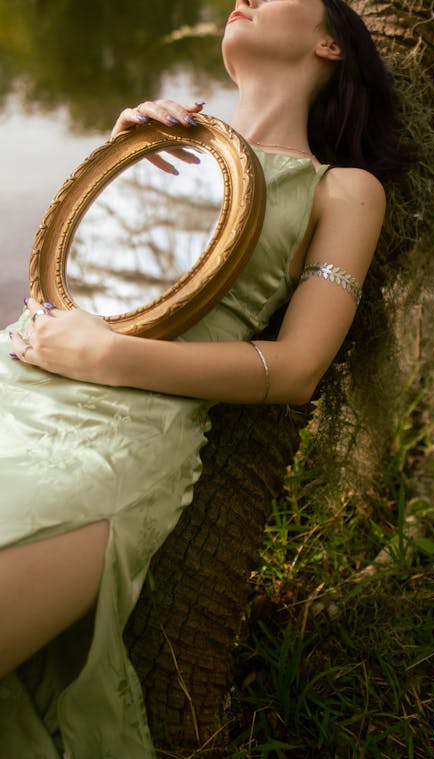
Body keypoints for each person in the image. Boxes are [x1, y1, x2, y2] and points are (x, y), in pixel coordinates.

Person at [0, 1, 405, 756]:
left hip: (108, 445)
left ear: (330, 44)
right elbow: (71, 286)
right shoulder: (159, 138)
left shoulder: (342, 189)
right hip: (13, 382)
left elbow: (296, 368)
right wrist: (117, 167)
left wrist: (110, 358)